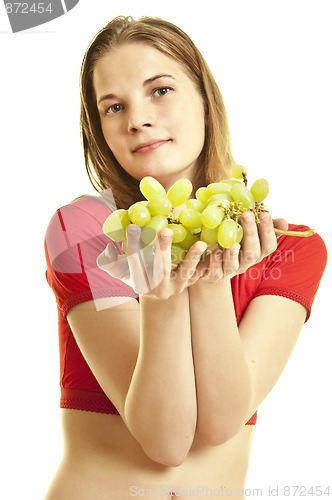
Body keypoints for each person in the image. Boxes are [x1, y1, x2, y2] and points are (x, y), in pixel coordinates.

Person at [43, 15, 327, 499]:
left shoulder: (294, 247)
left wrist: (211, 279)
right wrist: (161, 298)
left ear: (205, 101)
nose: (137, 119)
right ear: (101, 131)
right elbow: (165, 440)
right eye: (113, 107)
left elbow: (220, 423)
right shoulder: (84, 233)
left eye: (160, 90)